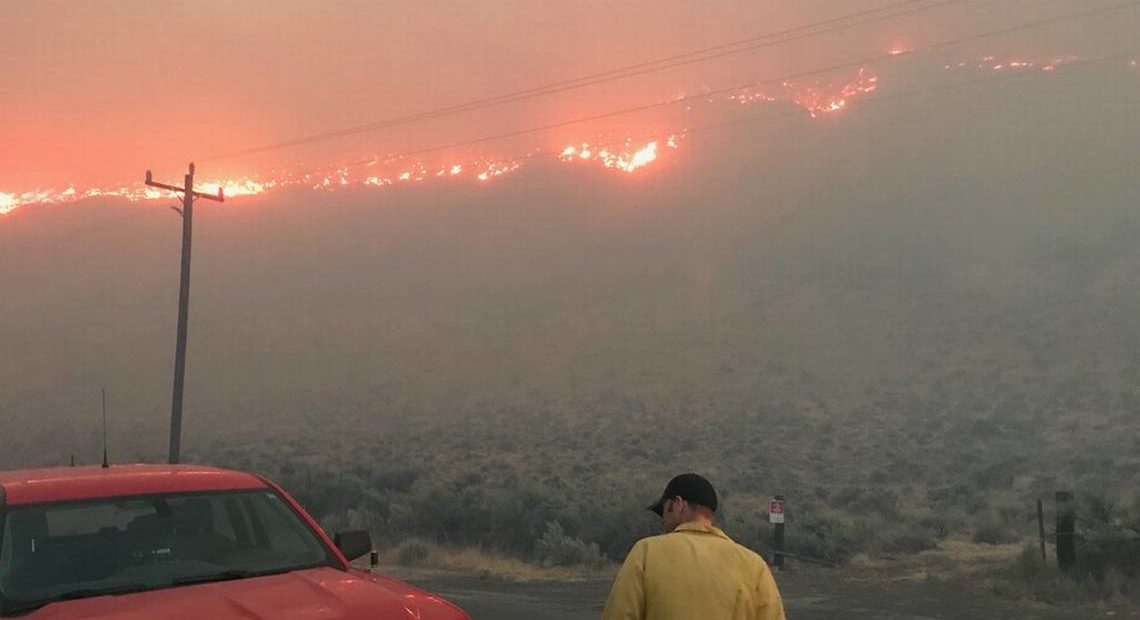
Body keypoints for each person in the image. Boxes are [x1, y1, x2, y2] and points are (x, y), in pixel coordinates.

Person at [601, 473, 786, 620]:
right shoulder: (754, 565)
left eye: (665, 510)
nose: (664, 521)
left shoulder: (646, 553)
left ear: (679, 504)